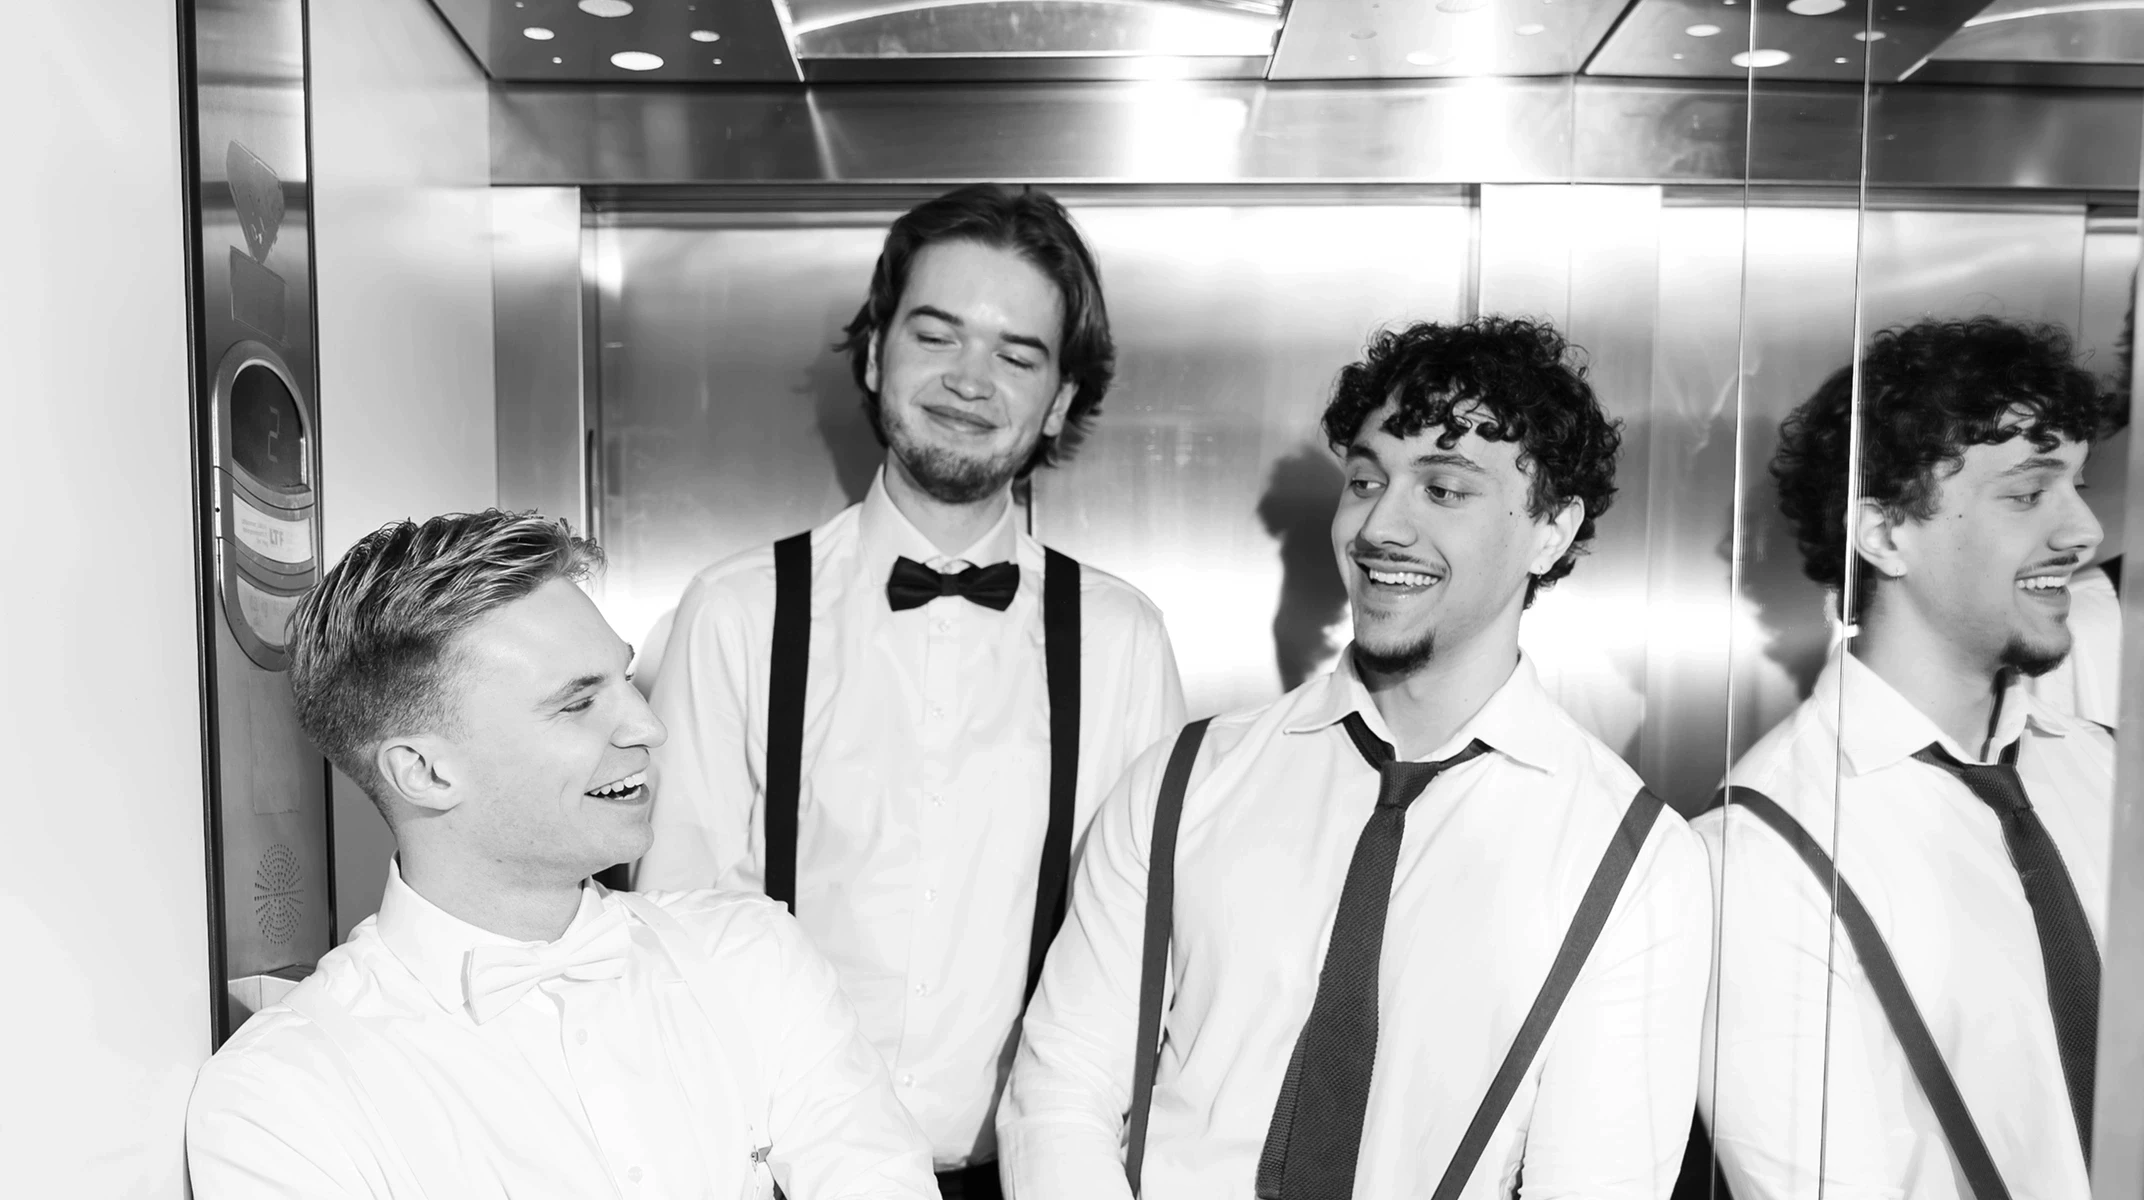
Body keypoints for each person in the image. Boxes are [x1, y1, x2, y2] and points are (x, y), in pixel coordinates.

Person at [1000, 317, 1712, 1199]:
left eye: (1444, 489)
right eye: (1367, 480)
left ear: (1551, 531)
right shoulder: (1184, 781)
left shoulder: (1632, 859)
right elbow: (1060, 1091)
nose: (1381, 525)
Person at [638, 183, 1186, 1198]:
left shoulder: (1122, 640)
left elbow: (1137, 956)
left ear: (1060, 399)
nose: (969, 380)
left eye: (1017, 355)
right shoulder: (734, 611)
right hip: (770, 1172)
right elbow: (673, 926)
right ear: (874, 354)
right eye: (936, 336)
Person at [186, 510, 936, 1199]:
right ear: (425, 772)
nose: (647, 727)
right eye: (578, 703)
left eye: (626, 680)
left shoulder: (753, 958)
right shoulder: (284, 1098)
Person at [1699, 317, 2121, 1200]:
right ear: (1885, 534)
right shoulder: (1759, 852)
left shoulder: (2105, 771)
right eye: (2027, 494)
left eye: (2078, 487)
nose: (2084, 531)